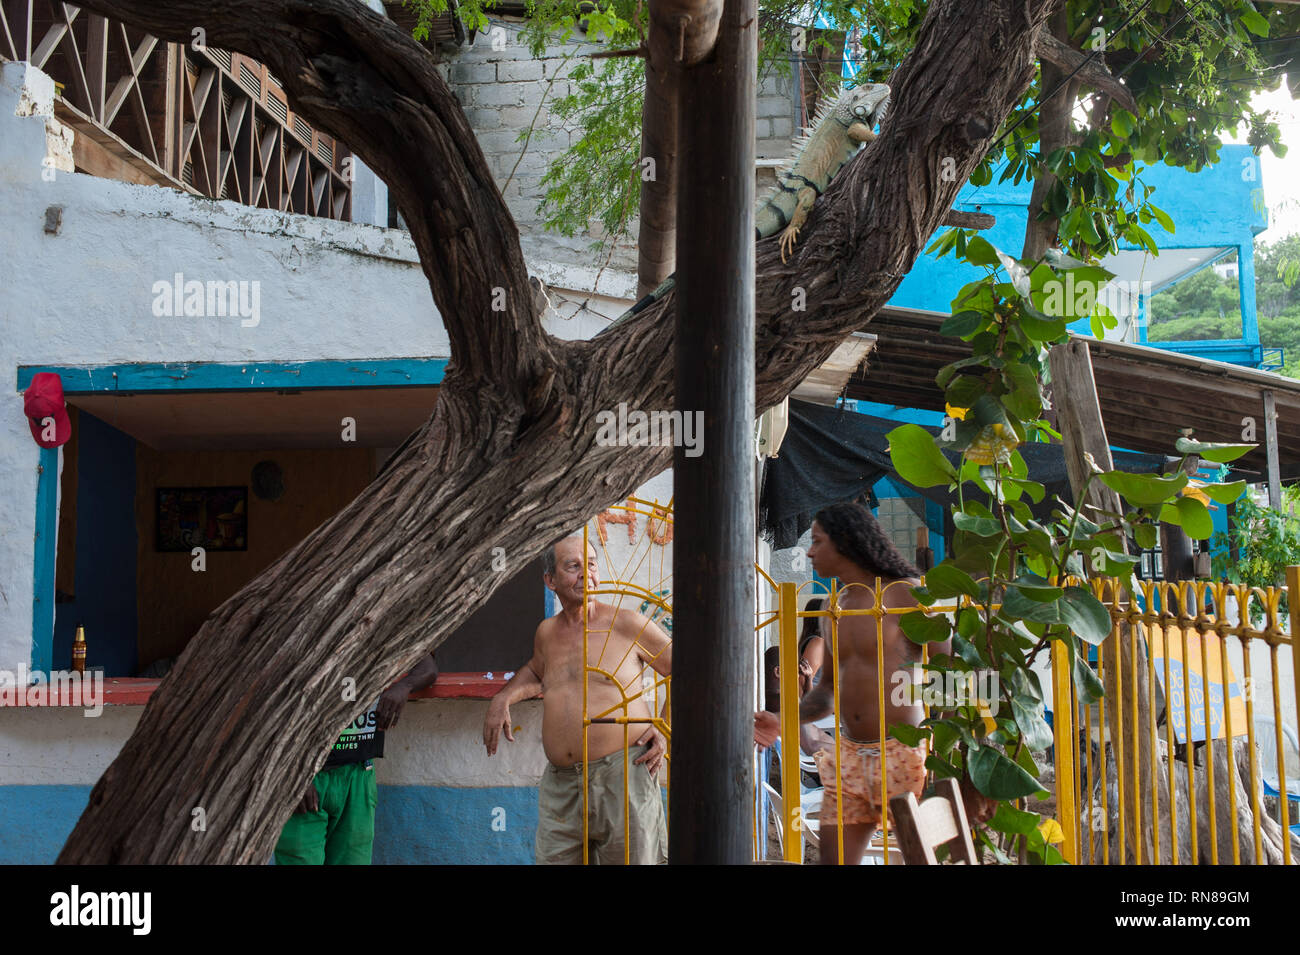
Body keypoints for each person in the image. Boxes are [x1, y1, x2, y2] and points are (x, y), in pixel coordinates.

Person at [755, 502, 947, 864]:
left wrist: (945, 755)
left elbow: (949, 671)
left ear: (846, 541)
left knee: (919, 858)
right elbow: (826, 694)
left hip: (904, 754)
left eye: (817, 541)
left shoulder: (909, 594)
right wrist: (781, 720)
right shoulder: (834, 607)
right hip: (849, 755)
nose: (809, 551)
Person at [484, 534, 672, 865]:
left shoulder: (626, 623)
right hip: (562, 784)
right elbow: (535, 671)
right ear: (550, 580)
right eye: (572, 567)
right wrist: (503, 698)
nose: (586, 574)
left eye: (592, 565)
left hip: (623, 775)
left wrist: (664, 727)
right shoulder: (547, 632)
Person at [275, 653, 439, 865]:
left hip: (359, 774)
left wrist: (403, 686)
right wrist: (292, 771)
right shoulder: (305, 636)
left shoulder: (383, 631)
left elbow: (428, 668)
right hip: (306, 778)